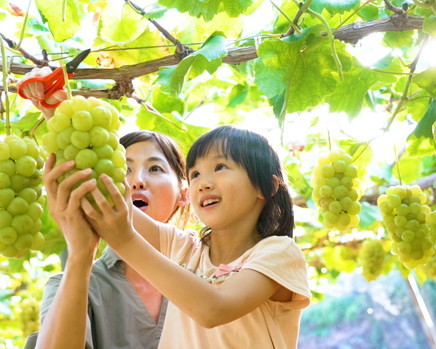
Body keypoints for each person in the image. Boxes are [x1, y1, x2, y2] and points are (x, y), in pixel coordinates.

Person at [77, 125, 311, 348]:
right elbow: (107, 197)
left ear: (266, 187)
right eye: (195, 174)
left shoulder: (278, 252)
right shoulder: (183, 247)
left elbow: (215, 309)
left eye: (220, 167)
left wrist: (125, 240)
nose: (202, 184)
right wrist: (60, 112)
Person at [24, 130, 189, 349]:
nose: (137, 182)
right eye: (124, 170)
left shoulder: (206, 270)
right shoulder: (70, 284)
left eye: (155, 169)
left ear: (184, 193)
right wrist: (81, 254)